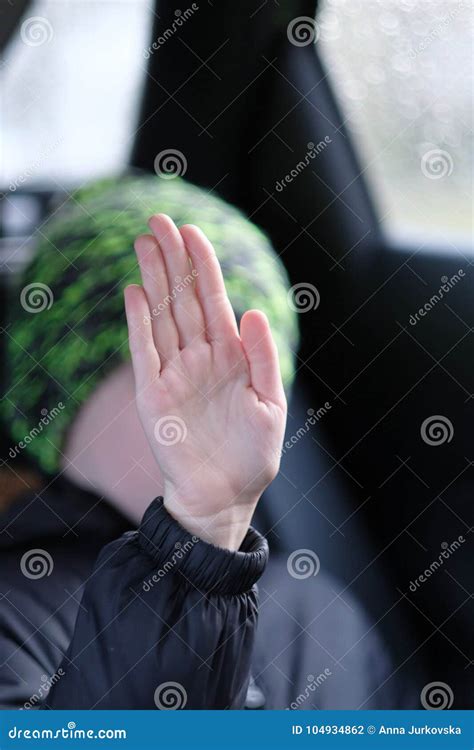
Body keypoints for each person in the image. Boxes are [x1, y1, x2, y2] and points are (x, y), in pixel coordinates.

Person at [0, 177, 401, 710]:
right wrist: (195, 548)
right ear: (57, 393)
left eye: (251, 362)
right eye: (179, 354)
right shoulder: (14, 618)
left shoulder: (322, 614)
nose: (222, 395)